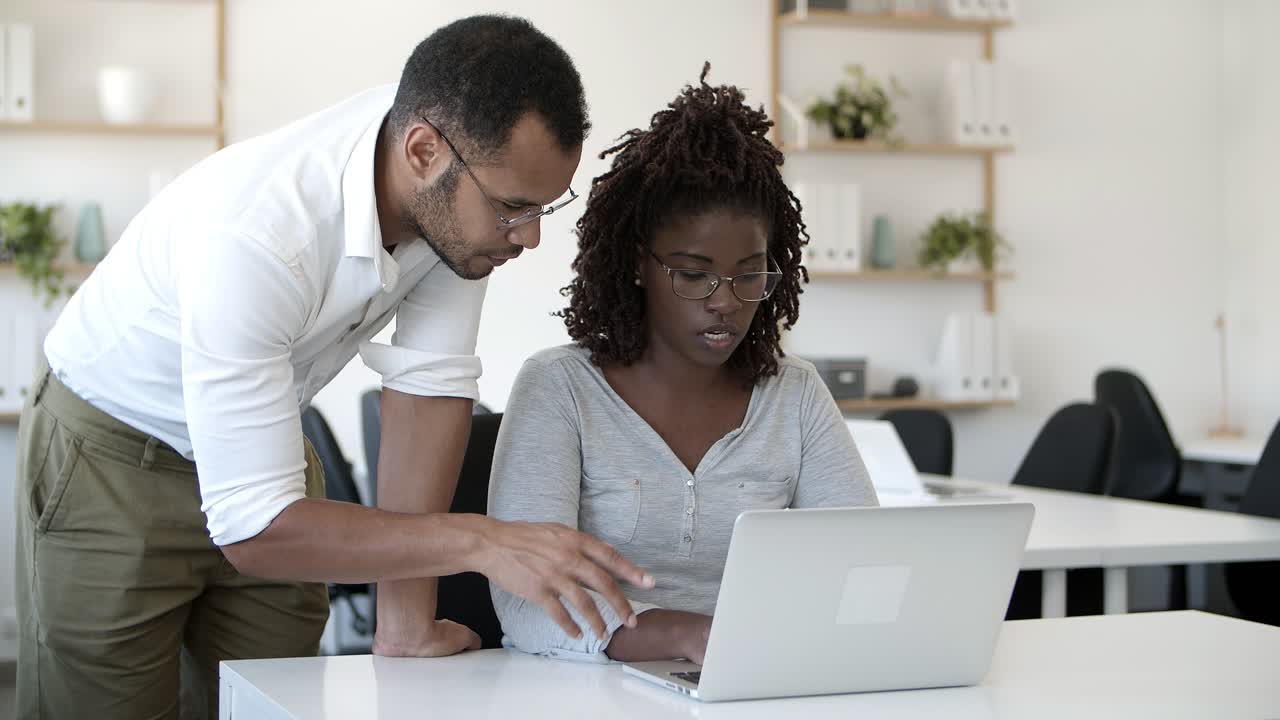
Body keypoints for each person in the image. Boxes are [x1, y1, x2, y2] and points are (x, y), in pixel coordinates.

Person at [14, 15, 652, 720]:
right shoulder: (258, 233)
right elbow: (255, 531)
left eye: (542, 208)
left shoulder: (452, 199)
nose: (528, 237)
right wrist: (483, 541)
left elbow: (427, 389)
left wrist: (405, 624)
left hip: (270, 450)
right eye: (511, 208)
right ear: (421, 151)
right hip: (113, 453)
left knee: (270, 701)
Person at [488, 65, 878, 665]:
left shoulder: (794, 395)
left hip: (755, 682)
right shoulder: (560, 391)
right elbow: (525, 605)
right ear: (637, 264)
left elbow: (863, 563)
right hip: (587, 695)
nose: (725, 300)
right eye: (693, 274)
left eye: (749, 274)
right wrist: (687, 635)